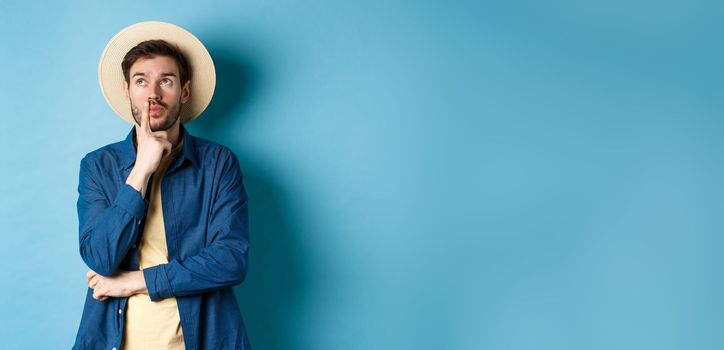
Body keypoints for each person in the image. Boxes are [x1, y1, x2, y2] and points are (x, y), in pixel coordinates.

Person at [72, 21, 251, 350]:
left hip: (204, 339)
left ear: (184, 91)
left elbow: (230, 259)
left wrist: (134, 282)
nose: (152, 94)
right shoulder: (98, 166)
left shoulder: (218, 164)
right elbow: (99, 256)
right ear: (127, 91)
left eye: (165, 81)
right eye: (141, 81)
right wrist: (140, 170)